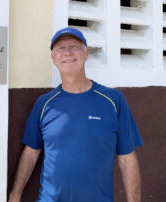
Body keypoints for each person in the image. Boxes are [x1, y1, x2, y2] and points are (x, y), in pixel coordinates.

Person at [8, 27, 143, 202]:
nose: (68, 53)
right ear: (53, 58)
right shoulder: (44, 103)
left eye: (74, 46)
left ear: (86, 53)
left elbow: (127, 159)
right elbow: (31, 152)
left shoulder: (113, 101)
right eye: (61, 48)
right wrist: (15, 194)